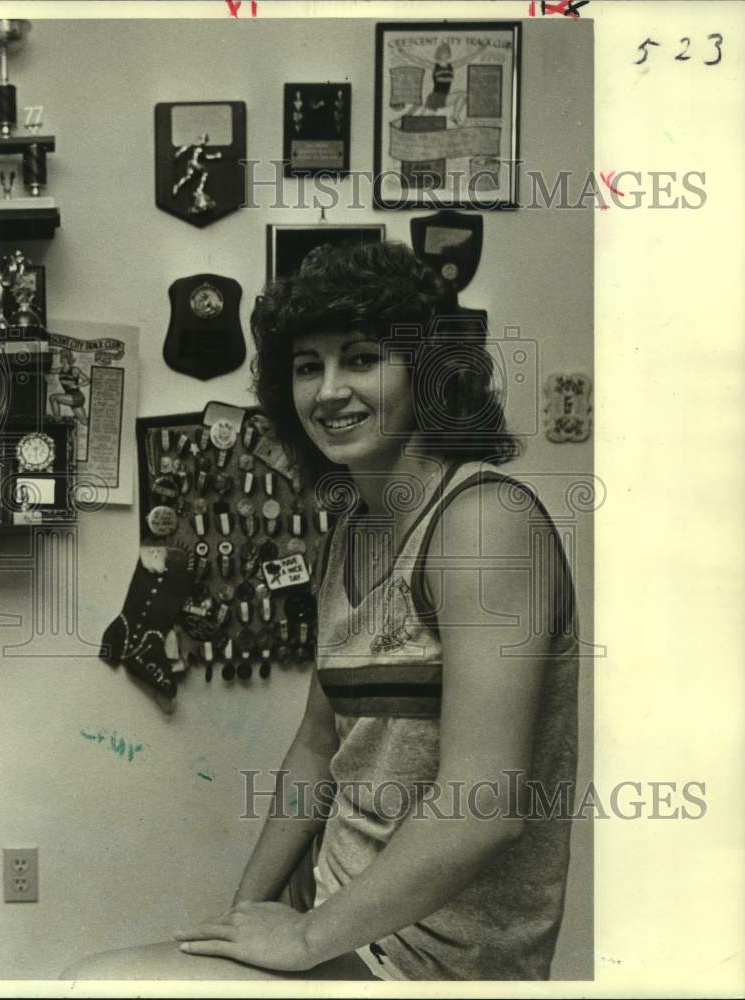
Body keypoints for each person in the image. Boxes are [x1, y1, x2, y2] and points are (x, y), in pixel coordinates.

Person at [63, 241, 578, 982]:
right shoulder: (349, 531)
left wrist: (302, 943)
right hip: (335, 913)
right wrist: (241, 920)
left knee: (92, 985)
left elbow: (484, 805)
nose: (329, 390)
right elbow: (316, 746)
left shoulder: (484, 520)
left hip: (436, 958)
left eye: (361, 359)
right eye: (308, 367)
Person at [49, 348, 89, 425]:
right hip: (72, 398)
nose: (60, 358)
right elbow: (48, 370)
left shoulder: (74, 370)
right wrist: (51, 354)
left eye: (62, 356)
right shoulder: (59, 370)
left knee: (53, 398)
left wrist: (77, 386)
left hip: (76, 397)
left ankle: (58, 421)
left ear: (66, 358)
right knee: (84, 422)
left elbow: (87, 380)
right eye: (61, 356)